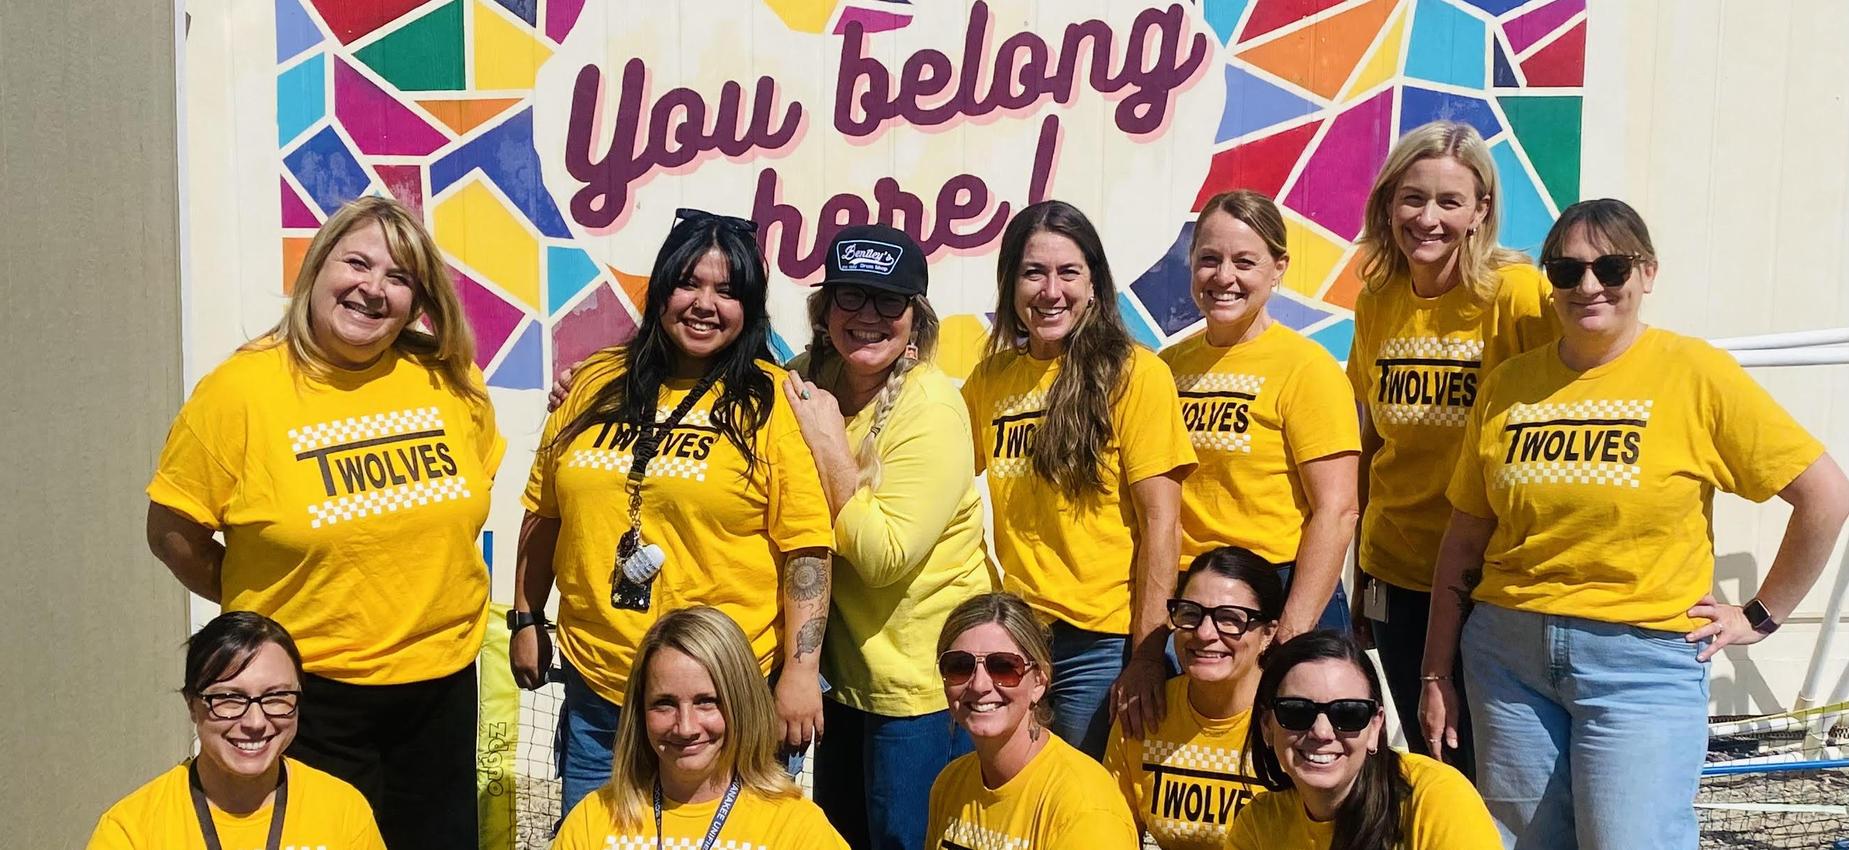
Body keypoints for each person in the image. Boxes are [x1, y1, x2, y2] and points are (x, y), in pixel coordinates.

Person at [1421, 198, 1849, 848]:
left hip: (1639, 666)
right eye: (1565, 272)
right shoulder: (1509, 384)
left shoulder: (1693, 374)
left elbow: (1824, 495)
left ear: (1645, 273)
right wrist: (1434, 673)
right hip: (1506, 660)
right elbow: (1464, 537)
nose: (1586, 286)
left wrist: (1760, 616)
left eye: (1609, 267)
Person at [145, 196, 502, 848]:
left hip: (440, 691)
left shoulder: (451, 378)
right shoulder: (240, 391)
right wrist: (271, 596)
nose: (373, 288)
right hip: (306, 699)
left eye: (398, 277)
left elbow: (461, 506)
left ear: (418, 299)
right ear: (316, 267)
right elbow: (173, 534)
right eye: (358, 263)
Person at [513, 208, 834, 817]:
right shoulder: (592, 383)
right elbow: (544, 511)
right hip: (602, 694)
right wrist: (526, 619)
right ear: (660, 290)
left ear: (750, 308)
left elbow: (807, 549)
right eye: (689, 283)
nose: (705, 304)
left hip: (726, 702)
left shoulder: (769, 402)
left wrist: (800, 670)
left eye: (728, 291)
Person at [1344, 121, 1556, 772]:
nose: (1426, 218)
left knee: (1502, 771)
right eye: (1411, 197)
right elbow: (1370, 442)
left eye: (1448, 201)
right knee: (1433, 759)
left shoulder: (1516, 295)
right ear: (1387, 202)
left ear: (1480, 211)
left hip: (1486, 580)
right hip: (1397, 572)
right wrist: (1359, 575)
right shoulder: (1377, 298)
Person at [780, 224, 996, 850]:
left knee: (907, 841)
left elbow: (881, 557)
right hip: (840, 675)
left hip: (916, 687)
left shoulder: (931, 407)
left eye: (888, 301)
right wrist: (595, 377)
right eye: (851, 296)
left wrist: (827, 443)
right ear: (825, 310)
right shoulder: (804, 379)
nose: (868, 317)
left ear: (915, 319)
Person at [961, 199, 1197, 758]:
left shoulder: (1135, 374)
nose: (1050, 291)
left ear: (1094, 285)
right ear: (1010, 285)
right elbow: (940, 483)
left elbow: (1163, 522)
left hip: (1104, 642)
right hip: (1019, 637)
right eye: (1033, 272)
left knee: (1092, 802)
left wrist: (1145, 653)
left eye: (1068, 272)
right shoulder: (991, 380)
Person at [1162, 190, 1360, 642]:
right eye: (1209, 259)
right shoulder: (1167, 367)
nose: (1224, 276)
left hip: (1280, 587)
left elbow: (1338, 510)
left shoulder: (1308, 368)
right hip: (1191, 595)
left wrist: (1291, 629)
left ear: (1279, 268)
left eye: (1245, 262)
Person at [551, 606, 849, 849]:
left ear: (741, 704)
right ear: (639, 712)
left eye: (706, 702)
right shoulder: (594, 820)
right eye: (664, 703)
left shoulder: (796, 828)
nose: (686, 726)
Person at [88, 612, 385, 849]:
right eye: (229, 698)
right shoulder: (133, 830)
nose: (255, 722)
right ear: (192, 705)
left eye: (276, 697)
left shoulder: (342, 811)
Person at [1226, 631, 1498, 850]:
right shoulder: (1259, 825)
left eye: (1348, 713)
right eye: (1297, 711)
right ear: (1266, 726)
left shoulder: (1437, 800)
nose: (1322, 732)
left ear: (1375, 726)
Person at [924, 593, 1139, 848]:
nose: (980, 684)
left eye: (1003, 666)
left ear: (1039, 681)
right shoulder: (950, 784)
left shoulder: (1084, 807)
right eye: (959, 666)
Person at [1102, 547, 1281, 849]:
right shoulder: (1144, 709)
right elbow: (1112, 830)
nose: (1205, 632)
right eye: (1190, 613)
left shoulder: (1294, 721)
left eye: (1230, 619)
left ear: (1268, 634)